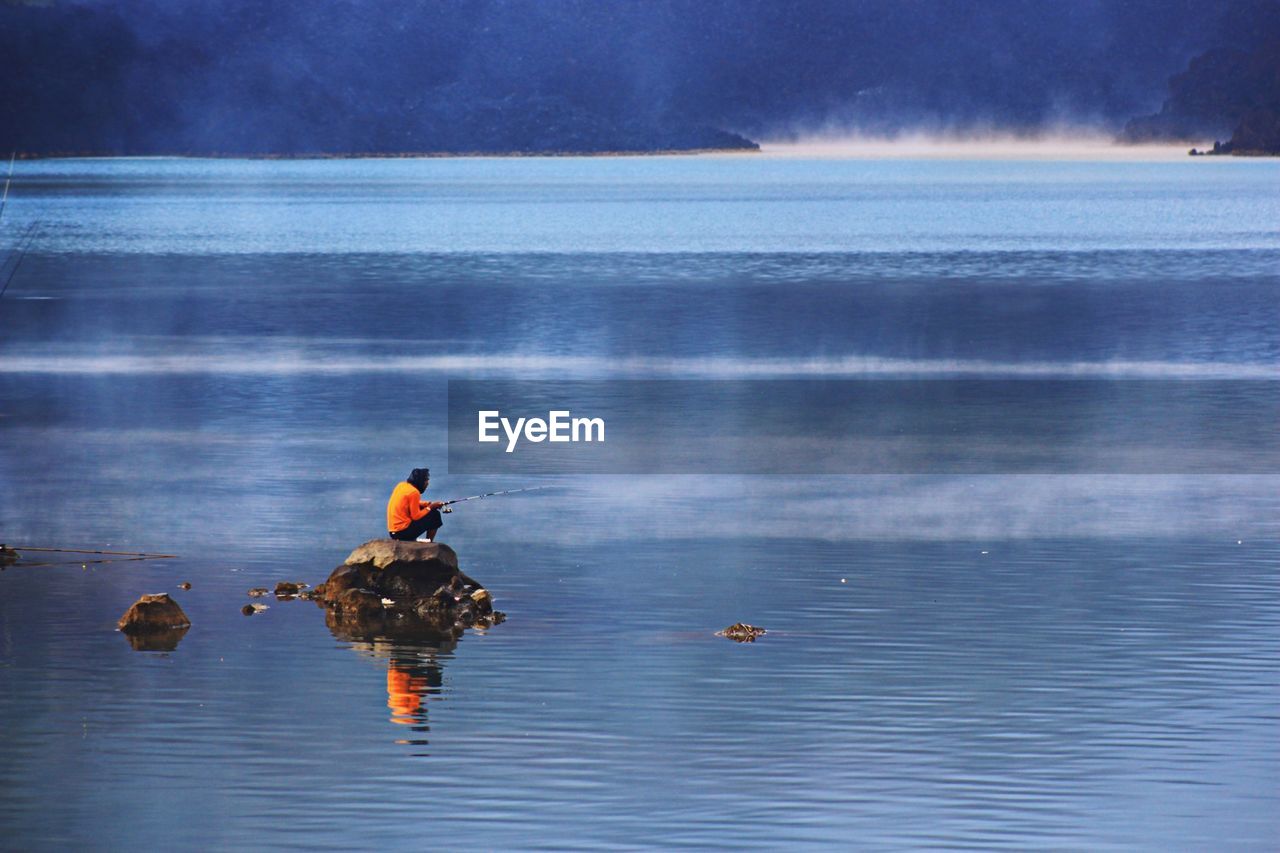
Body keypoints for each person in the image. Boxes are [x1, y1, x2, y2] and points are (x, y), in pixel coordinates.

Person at [387, 468, 444, 542]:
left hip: (393, 533)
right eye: (426, 480)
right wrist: (431, 507)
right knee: (434, 514)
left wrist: (426, 504)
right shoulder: (414, 492)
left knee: (423, 508)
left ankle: (420, 540)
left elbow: (408, 502)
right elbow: (416, 516)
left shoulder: (401, 485)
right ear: (420, 481)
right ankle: (428, 541)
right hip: (402, 533)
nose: (428, 483)